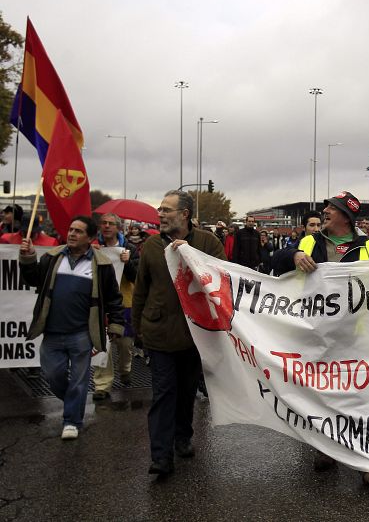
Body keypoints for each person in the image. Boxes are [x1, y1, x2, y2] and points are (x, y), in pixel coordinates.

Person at [271, 191, 369, 488]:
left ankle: (367, 463)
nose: (325, 211)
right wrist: (295, 255)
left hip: (358, 335)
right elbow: (276, 260)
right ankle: (326, 448)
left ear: (345, 215)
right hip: (319, 333)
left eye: (331, 208)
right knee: (324, 394)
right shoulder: (310, 241)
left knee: (361, 399)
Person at [132, 190, 227, 476]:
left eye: (166, 210)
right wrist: (139, 330)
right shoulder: (150, 246)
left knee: (186, 392)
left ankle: (182, 437)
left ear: (184, 214)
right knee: (163, 394)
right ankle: (160, 457)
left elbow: (225, 279)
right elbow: (141, 291)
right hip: (159, 334)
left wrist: (193, 257)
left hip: (194, 336)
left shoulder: (208, 243)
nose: (160, 214)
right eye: (159, 209)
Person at [19, 216, 125, 440]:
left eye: (78, 231)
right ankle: (72, 402)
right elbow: (33, 280)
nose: (72, 234)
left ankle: (72, 421)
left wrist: (116, 324)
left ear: (90, 238)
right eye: (70, 229)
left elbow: (114, 298)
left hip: (81, 334)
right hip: (52, 333)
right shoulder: (52, 257)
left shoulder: (102, 264)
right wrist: (27, 258)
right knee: (52, 375)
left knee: (79, 380)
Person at [91, 213, 139, 400]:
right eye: (104, 223)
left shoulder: (130, 249)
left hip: (124, 302)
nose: (107, 226)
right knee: (103, 344)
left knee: (125, 344)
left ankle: (125, 370)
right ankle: (102, 385)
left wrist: (128, 264)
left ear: (118, 227)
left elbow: (136, 276)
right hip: (100, 302)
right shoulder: (93, 246)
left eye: (111, 223)